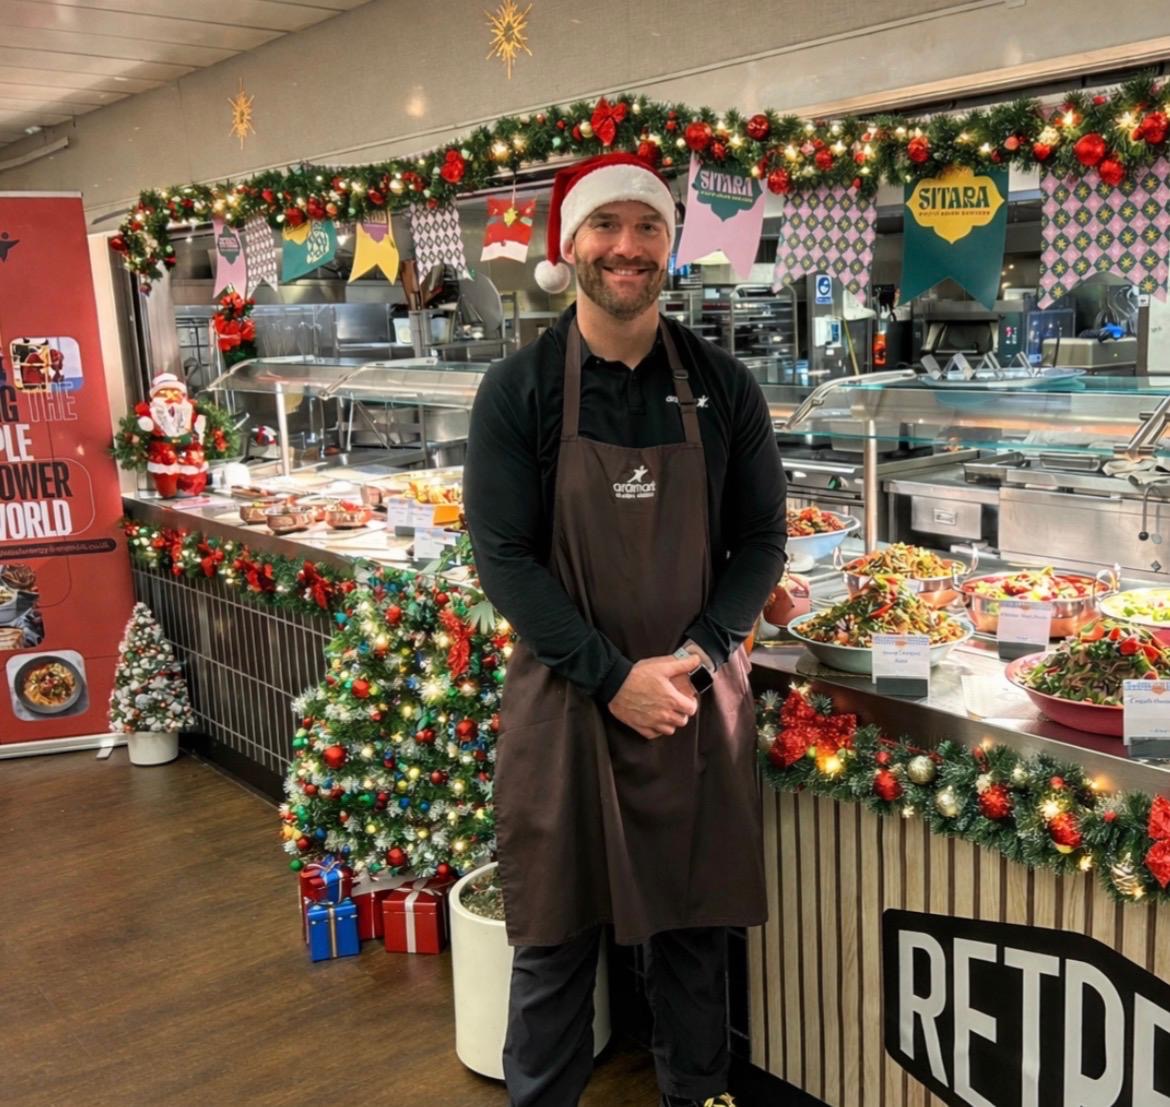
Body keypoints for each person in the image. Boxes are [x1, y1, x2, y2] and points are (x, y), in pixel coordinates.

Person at [465, 152, 787, 1107]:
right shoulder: (520, 389)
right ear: (572, 246)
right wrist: (613, 678)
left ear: (670, 247)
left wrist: (696, 655)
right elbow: (505, 558)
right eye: (606, 224)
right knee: (555, 943)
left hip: (691, 703)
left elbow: (761, 540)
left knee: (694, 942)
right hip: (568, 703)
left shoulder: (724, 385)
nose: (627, 246)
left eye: (648, 227)